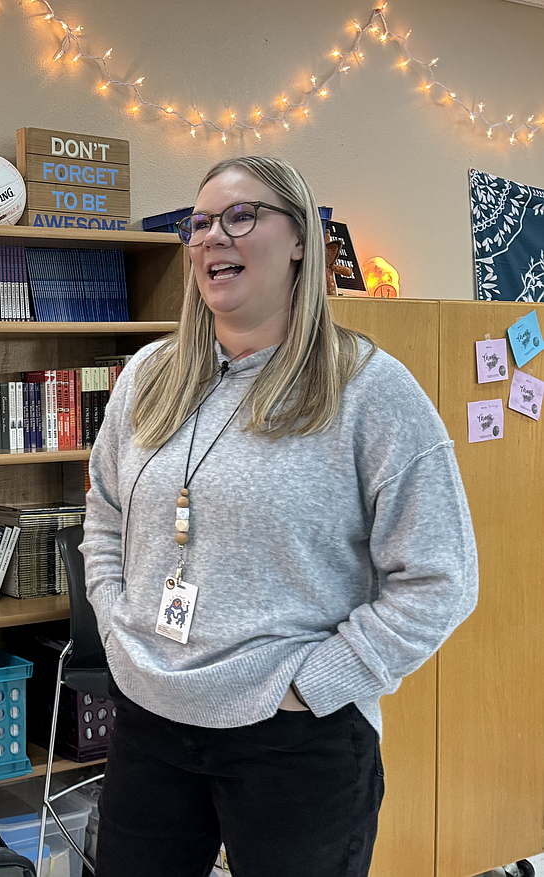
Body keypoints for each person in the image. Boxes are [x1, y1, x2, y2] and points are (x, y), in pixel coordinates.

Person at [81, 155, 478, 877]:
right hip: (149, 717)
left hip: (294, 738)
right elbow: (104, 515)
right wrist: (115, 622)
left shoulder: (368, 389)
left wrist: (311, 686)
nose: (210, 238)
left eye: (240, 216)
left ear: (301, 238)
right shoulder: (147, 378)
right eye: (198, 224)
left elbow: (440, 576)